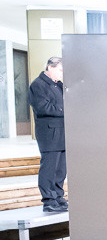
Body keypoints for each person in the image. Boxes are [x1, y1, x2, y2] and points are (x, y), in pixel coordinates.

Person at [28, 56, 67, 213]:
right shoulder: (37, 85)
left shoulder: (60, 85)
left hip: (62, 132)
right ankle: (49, 200)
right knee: (49, 168)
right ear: (50, 67)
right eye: (60, 70)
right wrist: (65, 110)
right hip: (49, 134)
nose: (62, 73)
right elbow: (43, 107)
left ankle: (58, 197)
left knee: (61, 169)